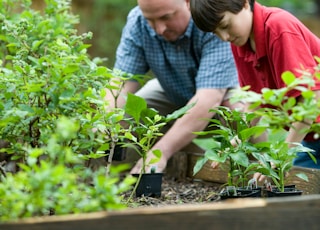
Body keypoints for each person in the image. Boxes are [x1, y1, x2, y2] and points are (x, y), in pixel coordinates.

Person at [107, 0, 240, 174]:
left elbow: (208, 99)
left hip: (223, 93)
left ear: (188, 2)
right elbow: (120, 83)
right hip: (171, 91)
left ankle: (256, 176)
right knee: (131, 110)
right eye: (151, 20)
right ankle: (123, 176)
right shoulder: (137, 21)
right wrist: (103, 122)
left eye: (166, 17)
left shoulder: (211, 18)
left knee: (243, 115)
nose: (159, 28)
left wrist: (160, 152)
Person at [189, 0, 320, 170]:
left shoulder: (278, 26)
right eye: (216, 33)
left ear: (244, 4)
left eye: (225, 25)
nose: (225, 37)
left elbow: (311, 99)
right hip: (312, 137)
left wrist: (282, 156)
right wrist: (238, 140)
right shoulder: (240, 43)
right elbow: (254, 101)